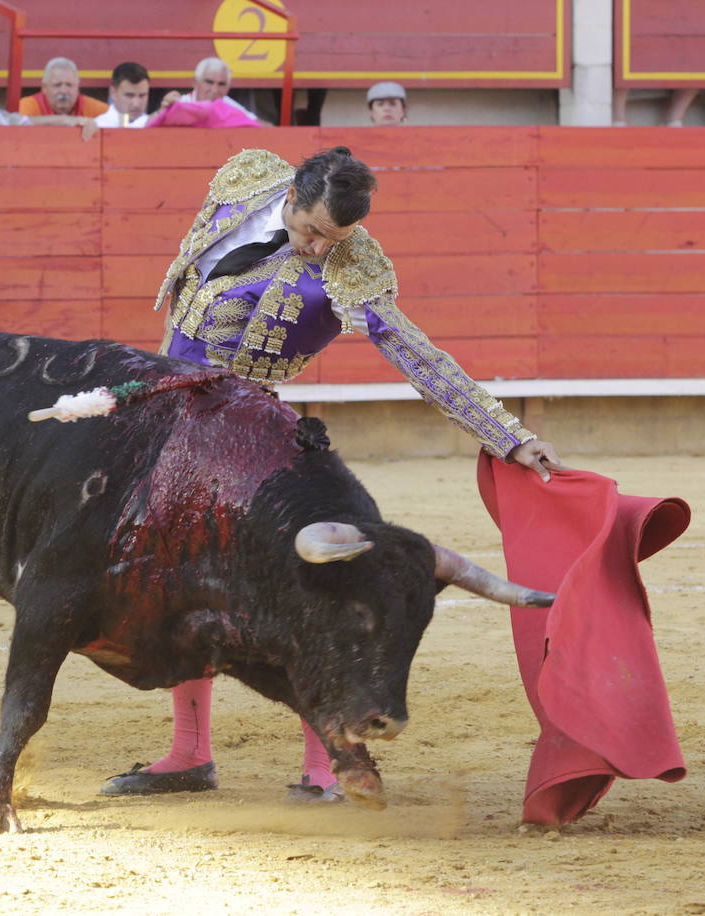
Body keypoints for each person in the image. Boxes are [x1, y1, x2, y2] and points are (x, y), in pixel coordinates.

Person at [98, 146, 560, 803]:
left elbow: (418, 356)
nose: (317, 249)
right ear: (289, 197)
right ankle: (189, 753)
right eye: (311, 231)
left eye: (333, 239)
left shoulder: (352, 268)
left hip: (251, 436)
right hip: (169, 431)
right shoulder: (245, 177)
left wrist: (508, 436)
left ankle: (325, 767)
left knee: (303, 592)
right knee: (178, 585)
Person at [18, 56, 105, 141]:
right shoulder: (29, 104)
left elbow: (116, 117)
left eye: (69, 85)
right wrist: (64, 120)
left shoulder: (90, 106)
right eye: (57, 85)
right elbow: (16, 122)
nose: (64, 91)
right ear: (44, 88)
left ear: (77, 88)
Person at [158, 56, 265, 124]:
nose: (214, 90)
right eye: (209, 82)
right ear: (195, 82)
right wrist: (163, 110)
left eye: (221, 84)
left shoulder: (231, 106)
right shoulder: (181, 103)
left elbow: (262, 126)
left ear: (228, 87)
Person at [94, 61, 151, 128]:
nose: (136, 104)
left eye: (142, 95)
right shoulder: (97, 126)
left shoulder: (157, 125)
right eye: (129, 95)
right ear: (113, 93)